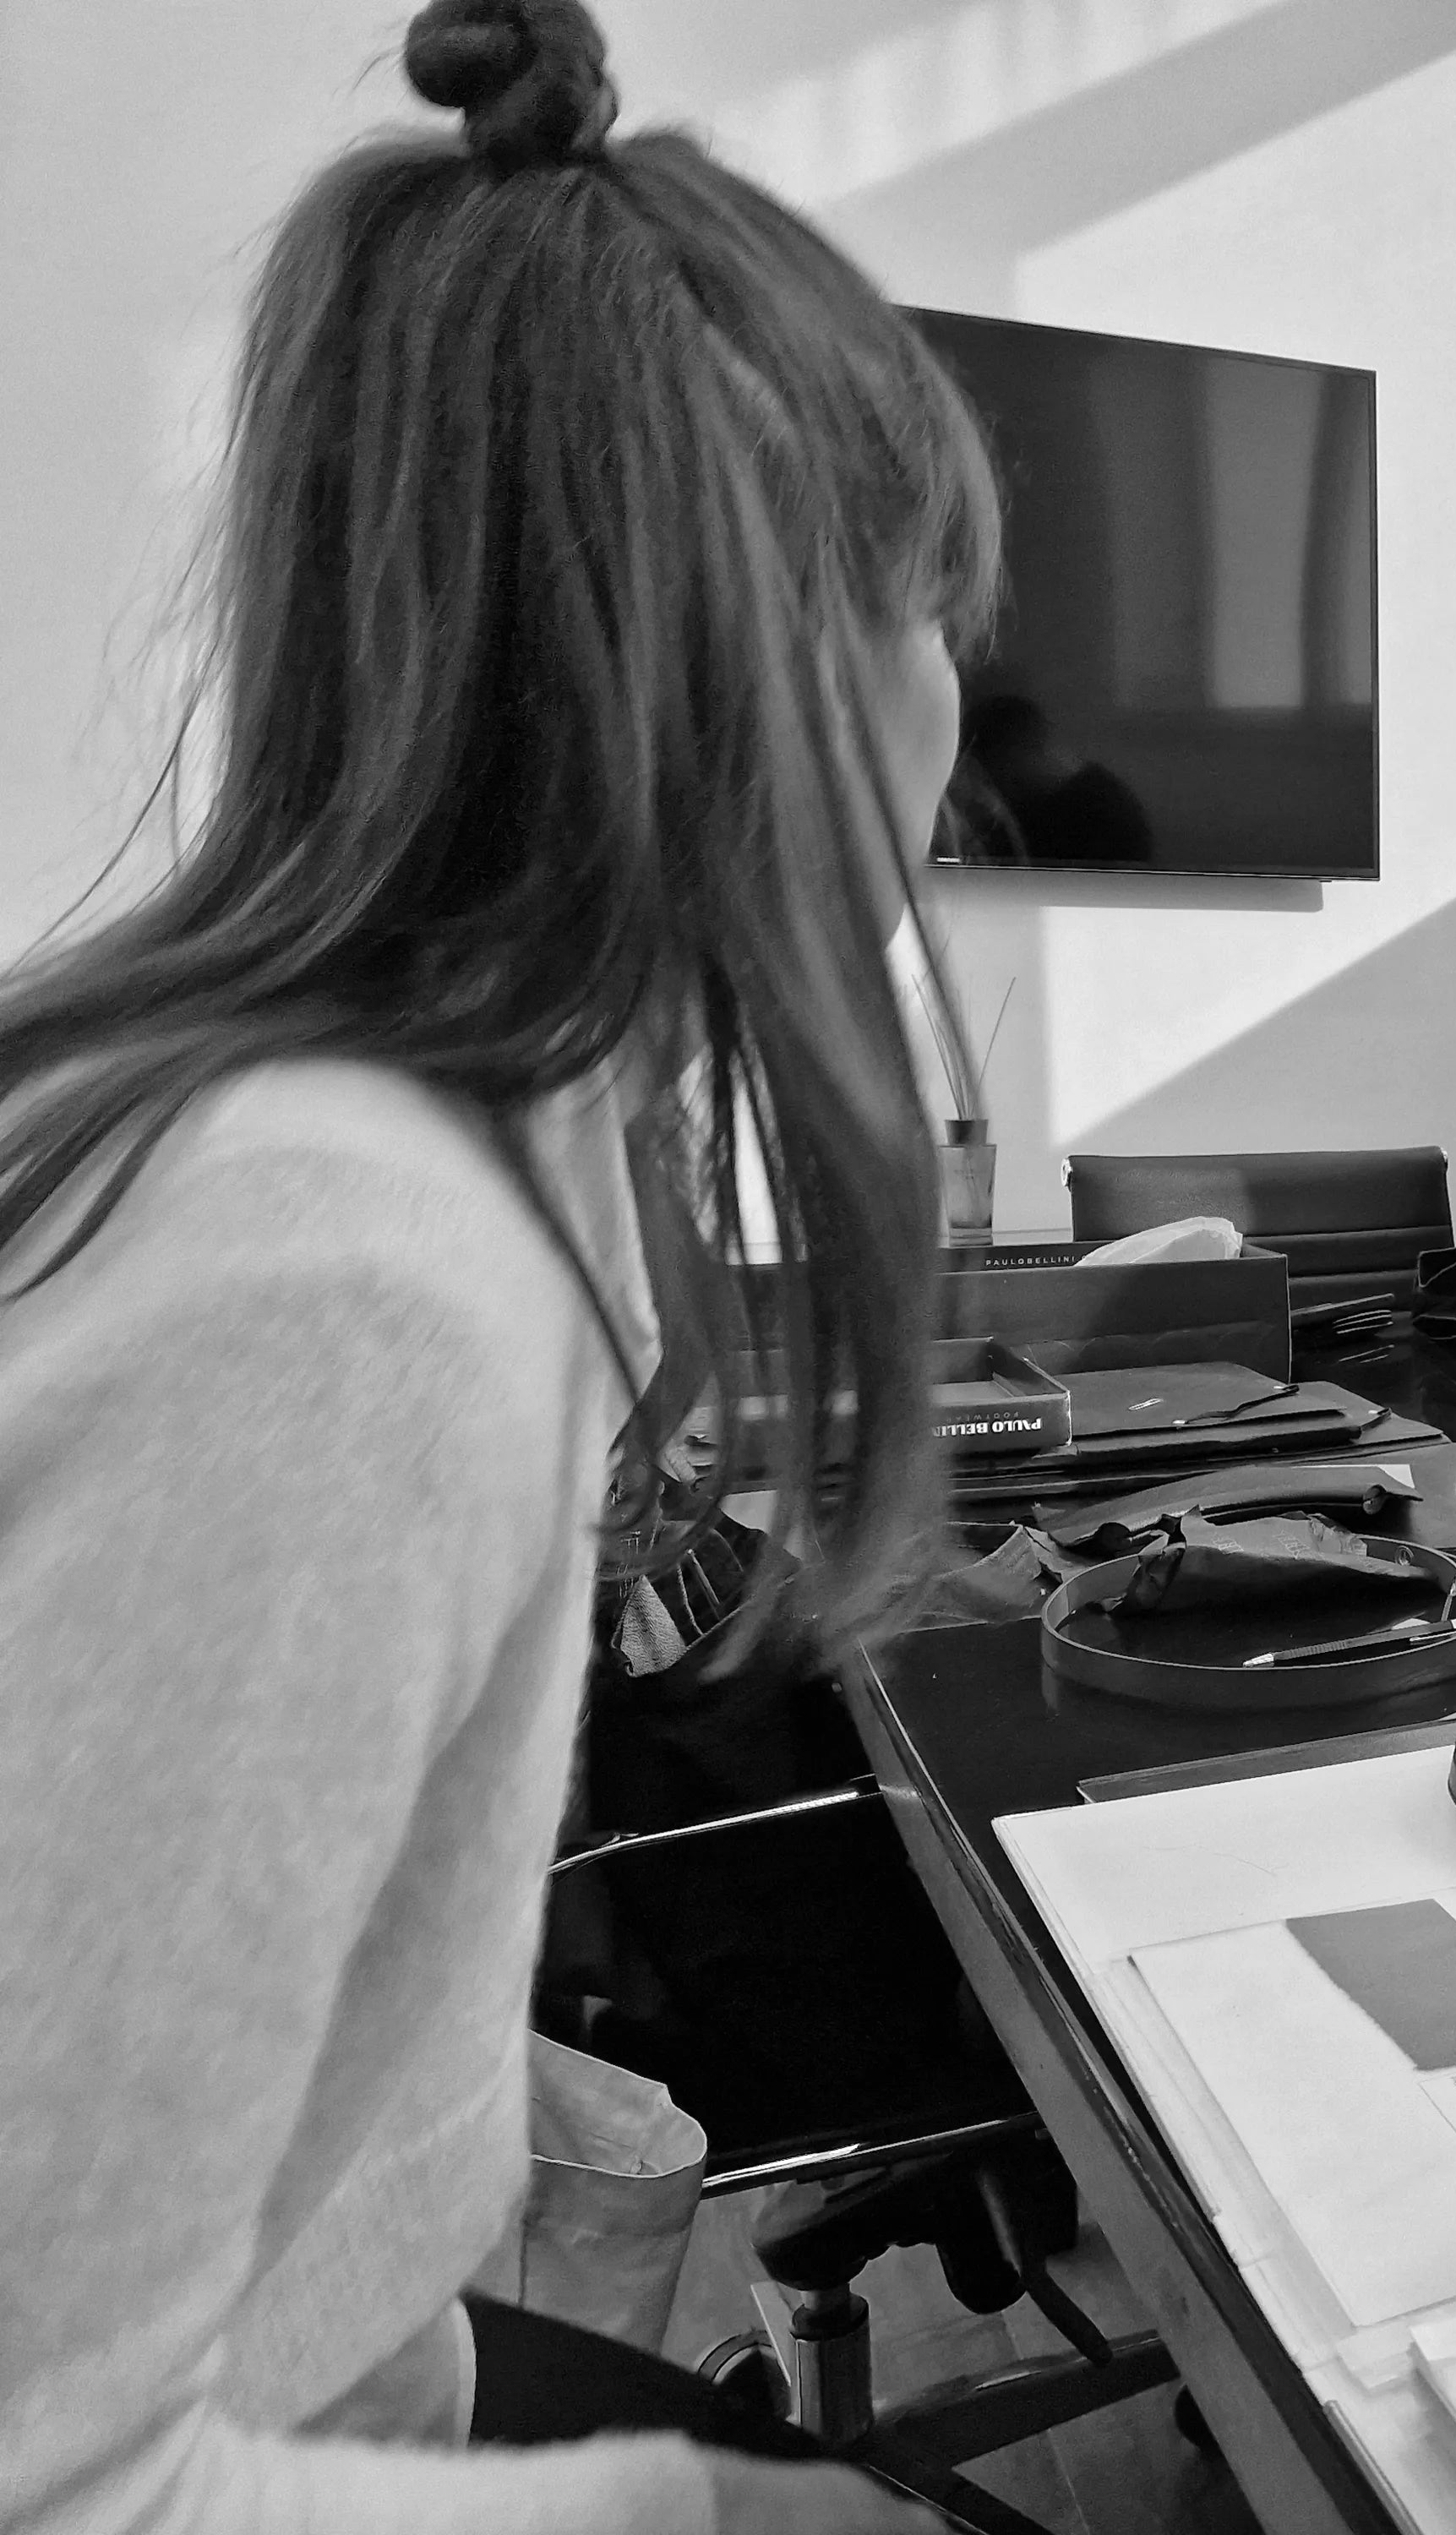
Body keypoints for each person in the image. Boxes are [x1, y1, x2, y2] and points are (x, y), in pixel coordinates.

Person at [0, 3, 991, 2526]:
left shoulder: (425, 1158)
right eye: (933, 605)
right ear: (782, 640)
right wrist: (692, 2509)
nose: (957, 705)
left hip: (361, 2373)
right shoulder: (346, 1291)